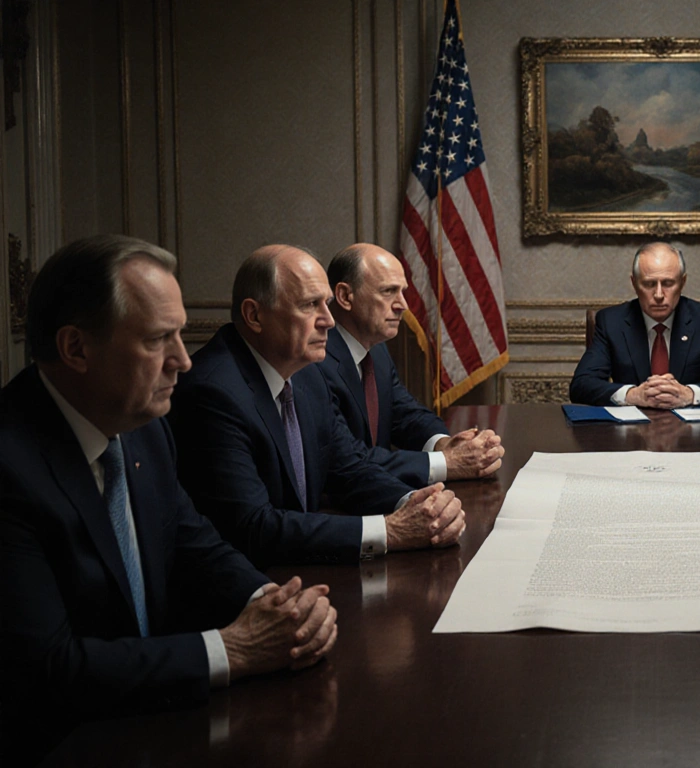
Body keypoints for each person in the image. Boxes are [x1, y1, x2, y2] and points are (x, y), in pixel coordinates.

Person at [1, 236, 337, 764]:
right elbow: (50, 668)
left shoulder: (142, 427)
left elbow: (191, 539)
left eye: (181, 336)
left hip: (153, 720)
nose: (183, 361)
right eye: (159, 340)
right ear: (75, 349)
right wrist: (234, 649)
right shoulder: (10, 467)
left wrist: (270, 603)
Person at [169, 245, 464, 567]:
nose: (328, 321)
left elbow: (349, 467)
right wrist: (390, 531)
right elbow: (253, 527)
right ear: (254, 315)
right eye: (310, 305)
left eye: (326, 303)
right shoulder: (212, 393)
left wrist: (416, 502)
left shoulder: (307, 374)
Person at [319, 242, 504, 487]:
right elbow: (347, 459)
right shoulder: (315, 360)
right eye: (388, 292)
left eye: (403, 291)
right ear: (344, 296)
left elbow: (405, 415)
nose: (403, 305)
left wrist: (444, 444)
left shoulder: (377, 349)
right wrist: (448, 463)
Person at [568, 242, 700, 408]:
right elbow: (581, 385)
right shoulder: (611, 321)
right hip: (629, 434)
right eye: (648, 284)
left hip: (692, 434)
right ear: (634, 283)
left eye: (668, 283)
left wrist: (689, 394)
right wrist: (632, 395)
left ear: (682, 282)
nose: (658, 294)